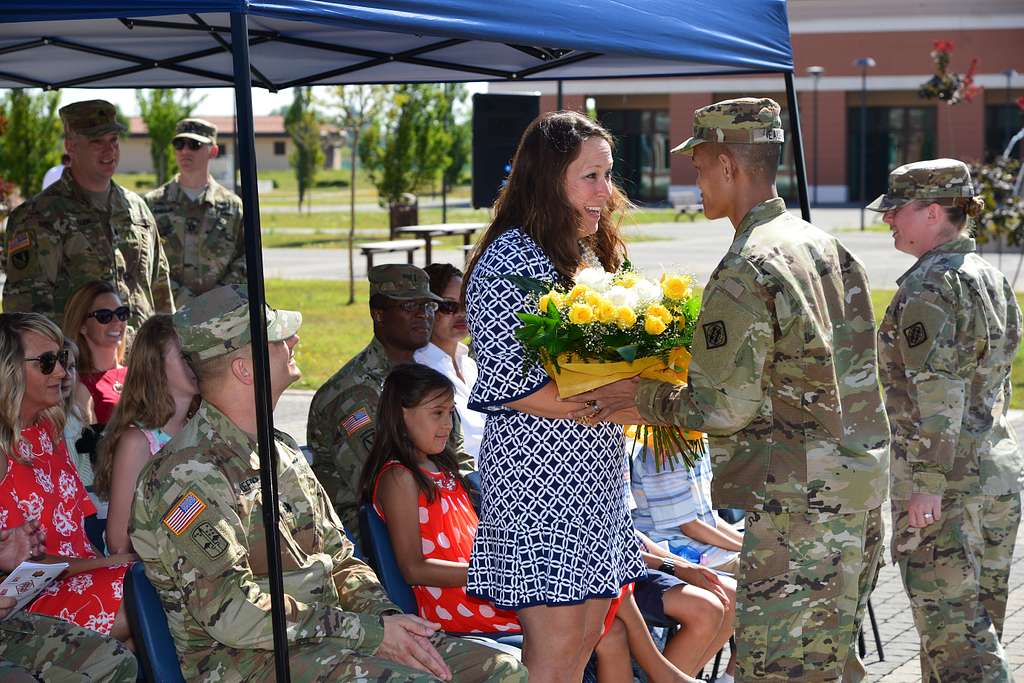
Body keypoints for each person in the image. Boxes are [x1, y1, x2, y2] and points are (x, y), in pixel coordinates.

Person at [574, 98, 890, 682]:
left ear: (727, 166)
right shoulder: (823, 246)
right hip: (856, 494)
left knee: (778, 669)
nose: (694, 183)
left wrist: (637, 396)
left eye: (697, 169)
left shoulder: (747, 267)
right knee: (831, 663)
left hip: (797, 505)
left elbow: (723, 407)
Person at [129, 284, 526, 683]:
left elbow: (341, 560)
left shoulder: (280, 451)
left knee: (501, 671)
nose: (294, 340)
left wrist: (387, 623)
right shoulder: (184, 475)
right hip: (247, 662)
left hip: (331, 639)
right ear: (244, 368)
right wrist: (366, 633)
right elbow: (234, 614)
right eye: (279, 338)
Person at [462, 110, 647, 682]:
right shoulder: (509, 259)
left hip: (595, 484)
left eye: (608, 175)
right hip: (543, 494)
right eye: (590, 176)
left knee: (584, 644)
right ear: (547, 177)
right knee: (553, 660)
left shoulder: (585, 255)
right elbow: (519, 386)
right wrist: (629, 394)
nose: (605, 192)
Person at [364, 363, 693, 683]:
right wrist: (491, 573)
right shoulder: (400, 478)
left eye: (451, 412)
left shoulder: (443, 470)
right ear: (402, 414)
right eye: (437, 413)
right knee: (604, 623)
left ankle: (661, 671)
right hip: (456, 601)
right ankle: (661, 670)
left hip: (478, 587)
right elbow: (413, 569)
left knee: (605, 619)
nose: (448, 424)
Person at [868, 158, 1023, 681]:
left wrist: (927, 486)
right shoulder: (993, 278)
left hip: (945, 489)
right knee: (976, 631)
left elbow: (940, 393)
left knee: (960, 648)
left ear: (932, 213)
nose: (888, 220)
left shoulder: (929, 287)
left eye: (896, 211)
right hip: (994, 474)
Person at [308, 263, 473, 543]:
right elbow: (381, 481)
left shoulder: (425, 379)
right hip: (371, 540)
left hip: (439, 515)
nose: (423, 315)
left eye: (429, 306)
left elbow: (456, 456)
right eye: (409, 306)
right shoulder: (353, 393)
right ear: (378, 314)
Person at [0, 312, 135, 643]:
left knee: (152, 592)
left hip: (82, 577)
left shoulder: (47, 428)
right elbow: (29, 565)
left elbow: (76, 536)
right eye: (46, 362)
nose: (61, 371)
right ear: (9, 371)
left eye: (61, 357)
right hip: (32, 600)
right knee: (145, 598)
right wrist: (120, 562)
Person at [2, 99, 173, 331]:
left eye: (113, 140)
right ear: (70, 146)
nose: (109, 150)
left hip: (141, 361)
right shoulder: (37, 217)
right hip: (75, 364)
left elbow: (160, 289)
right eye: (97, 141)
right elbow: (26, 314)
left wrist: (167, 349)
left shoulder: (138, 209)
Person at [95, 314, 198, 555]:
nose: (197, 362)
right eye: (185, 355)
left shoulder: (202, 427)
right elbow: (118, 543)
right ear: (155, 366)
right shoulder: (138, 442)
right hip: (155, 575)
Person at [0, 520, 138, 682]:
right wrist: (115, 561)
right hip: (52, 592)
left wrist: (6, 560)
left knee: (116, 659)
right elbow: (118, 543)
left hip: (9, 618)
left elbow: (85, 544)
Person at [144, 118, 245, 307]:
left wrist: (216, 299)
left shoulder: (232, 206)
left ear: (213, 151)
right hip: (167, 315)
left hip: (219, 316)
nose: (185, 151)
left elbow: (245, 260)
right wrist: (183, 300)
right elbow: (146, 261)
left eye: (194, 145)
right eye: (179, 144)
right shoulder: (152, 204)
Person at [414, 263, 485, 459]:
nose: (461, 313)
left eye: (466, 303)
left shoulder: (471, 365)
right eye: (449, 306)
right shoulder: (421, 370)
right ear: (427, 309)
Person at [630, 447, 740, 573]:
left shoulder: (697, 446)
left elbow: (709, 519)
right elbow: (690, 527)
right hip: (686, 554)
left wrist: (747, 545)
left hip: (709, 548)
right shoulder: (662, 455)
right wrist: (745, 548)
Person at [62, 280, 129, 426]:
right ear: (82, 326)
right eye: (104, 316)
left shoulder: (138, 373)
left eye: (121, 313)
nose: (117, 321)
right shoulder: (77, 386)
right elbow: (92, 447)